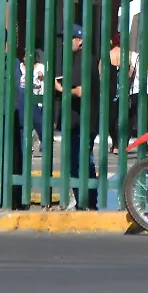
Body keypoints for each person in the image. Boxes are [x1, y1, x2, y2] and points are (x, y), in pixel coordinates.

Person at [54, 24, 99, 210]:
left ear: (79, 40)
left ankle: (87, 202)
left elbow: (80, 91)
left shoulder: (84, 60)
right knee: (77, 163)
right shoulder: (74, 60)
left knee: (81, 163)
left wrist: (61, 89)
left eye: (69, 38)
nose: (64, 42)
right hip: (75, 122)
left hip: (83, 122)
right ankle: (84, 202)